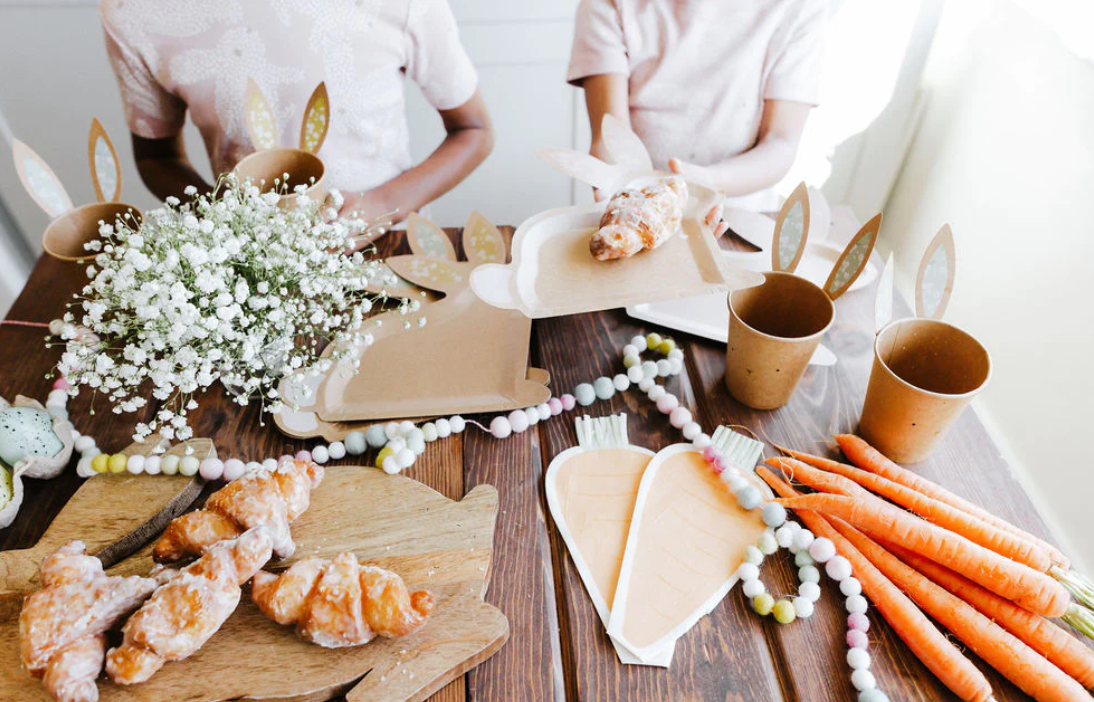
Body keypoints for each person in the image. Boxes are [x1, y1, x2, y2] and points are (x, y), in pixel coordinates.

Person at [99, 0, 493, 231]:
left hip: (390, 240)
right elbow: (157, 156)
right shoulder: (133, 13)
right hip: (245, 267)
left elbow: (474, 130)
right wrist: (219, 217)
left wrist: (382, 204)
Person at [567, 0, 826, 215]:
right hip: (637, 206)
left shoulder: (799, 8)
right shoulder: (608, 4)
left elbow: (780, 142)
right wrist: (617, 186)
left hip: (740, 214)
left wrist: (705, 183)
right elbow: (610, 135)